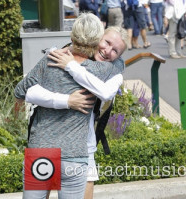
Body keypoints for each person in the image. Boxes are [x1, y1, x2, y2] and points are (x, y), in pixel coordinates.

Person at [14, 13, 124, 199]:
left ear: (72, 36)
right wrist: (67, 101)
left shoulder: (51, 59)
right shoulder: (105, 70)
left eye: (115, 50)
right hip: (74, 154)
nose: (108, 51)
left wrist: (69, 63)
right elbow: (118, 67)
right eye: (106, 43)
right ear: (97, 39)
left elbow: (21, 91)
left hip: (42, 148)